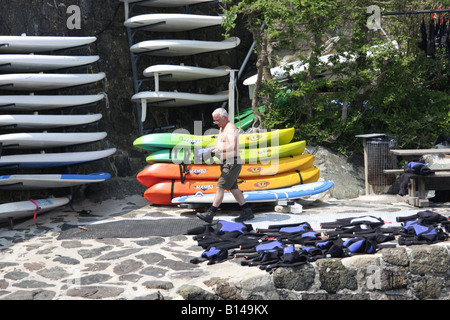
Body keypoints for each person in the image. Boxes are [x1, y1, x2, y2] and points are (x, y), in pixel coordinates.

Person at [196, 107, 254, 223]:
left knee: (220, 187)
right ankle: (247, 211)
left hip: (232, 162)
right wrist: (207, 151)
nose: (216, 123)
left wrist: (214, 152)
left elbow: (232, 146)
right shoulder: (222, 128)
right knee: (233, 188)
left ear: (225, 118)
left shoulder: (231, 128)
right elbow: (220, 145)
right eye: (214, 121)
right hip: (226, 162)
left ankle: (210, 213)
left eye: (217, 120)